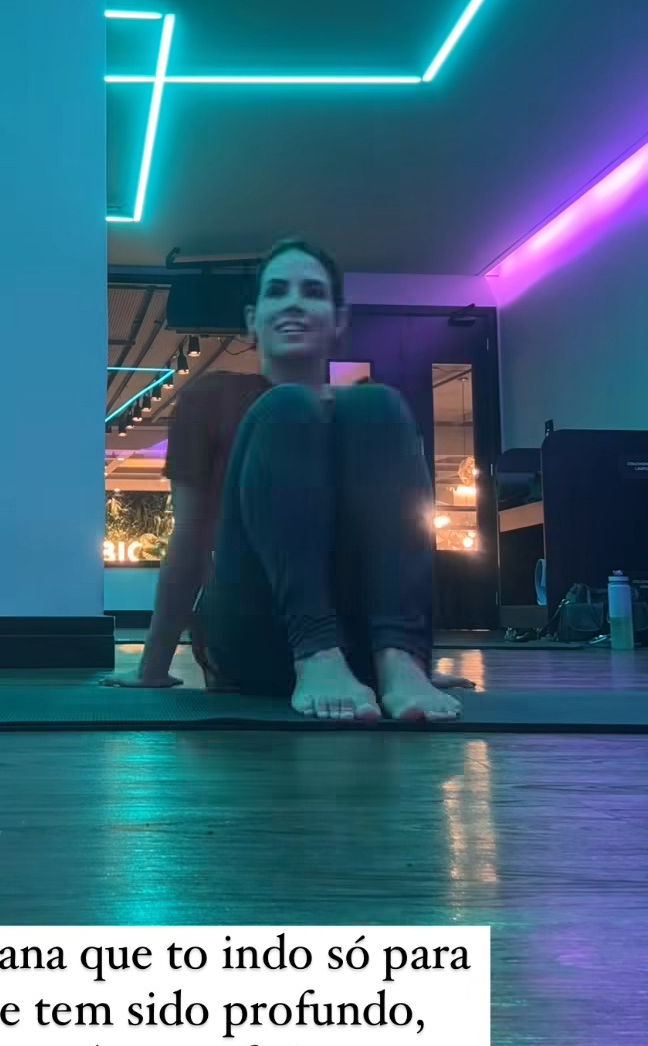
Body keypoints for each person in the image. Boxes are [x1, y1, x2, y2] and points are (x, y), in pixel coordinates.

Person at [119, 238, 460, 724]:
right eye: (277, 291)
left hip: (358, 648)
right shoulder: (211, 398)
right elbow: (189, 538)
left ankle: (398, 659)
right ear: (251, 321)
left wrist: (420, 658)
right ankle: (315, 653)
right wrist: (152, 668)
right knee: (287, 406)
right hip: (254, 635)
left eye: (312, 292)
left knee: (377, 402)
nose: (294, 303)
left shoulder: (370, 416)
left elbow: (405, 533)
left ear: (339, 321)